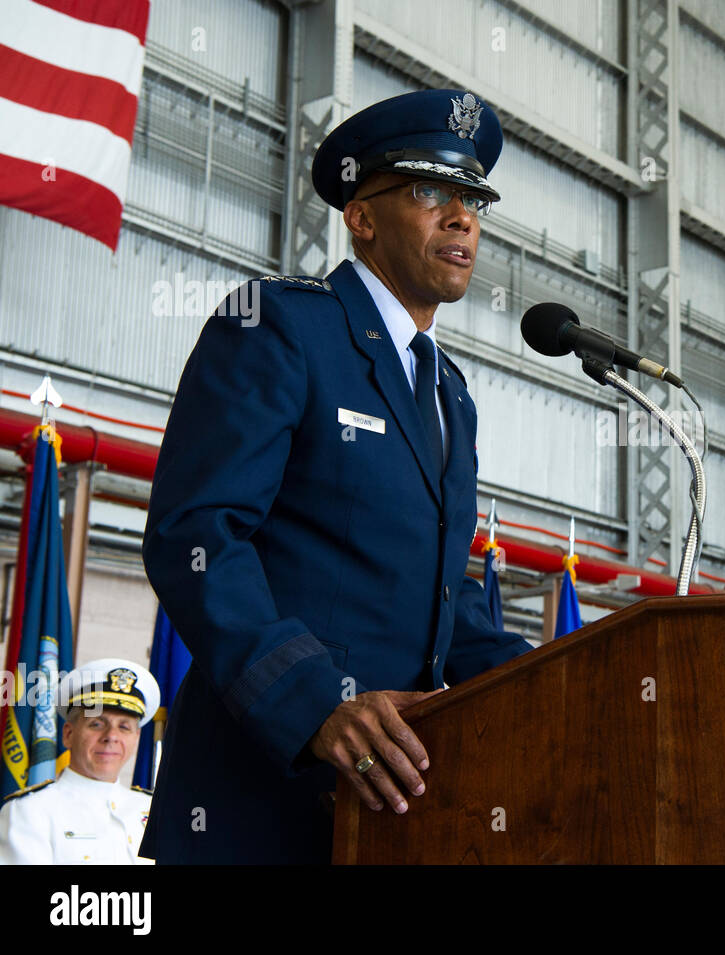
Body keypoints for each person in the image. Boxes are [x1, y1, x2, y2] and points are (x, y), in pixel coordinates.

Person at [139, 89, 532, 864]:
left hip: (391, 818)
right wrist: (317, 704)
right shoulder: (279, 324)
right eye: (430, 192)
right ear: (360, 216)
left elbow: (448, 616)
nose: (463, 219)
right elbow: (199, 536)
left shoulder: (451, 392)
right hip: (257, 803)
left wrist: (576, 681)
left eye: (473, 200)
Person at [0, 658, 159, 864]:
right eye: (96, 724)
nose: (111, 736)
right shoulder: (29, 812)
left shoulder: (153, 809)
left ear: (136, 738)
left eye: (124, 727)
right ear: (68, 734)